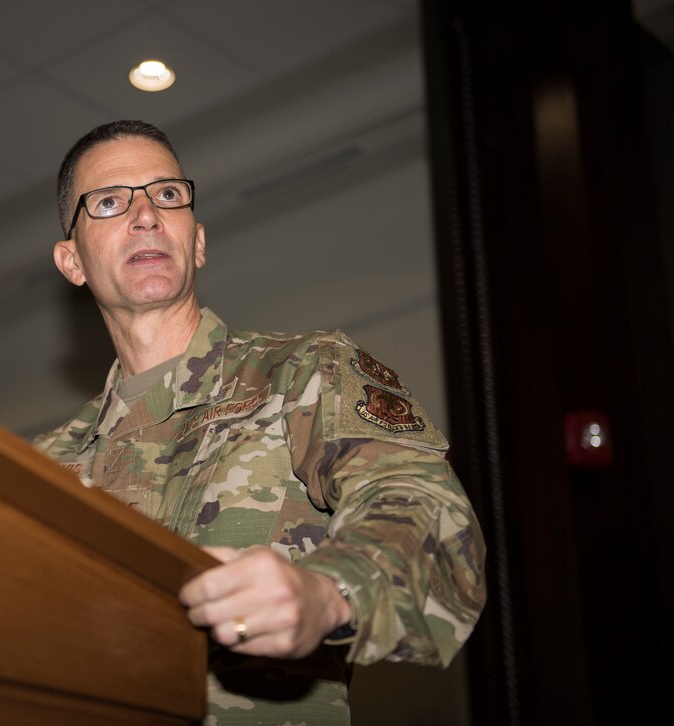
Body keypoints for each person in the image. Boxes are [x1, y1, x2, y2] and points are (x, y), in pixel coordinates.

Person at [33, 120, 486, 724]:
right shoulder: (47, 465)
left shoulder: (302, 373)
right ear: (72, 262)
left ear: (196, 242)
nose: (146, 215)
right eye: (111, 202)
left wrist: (326, 593)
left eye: (167, 194)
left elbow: (421, 505)